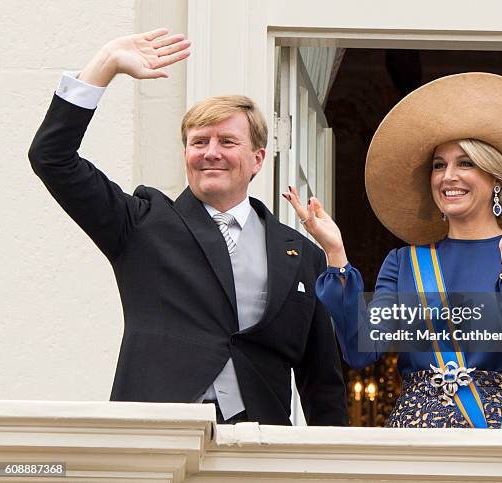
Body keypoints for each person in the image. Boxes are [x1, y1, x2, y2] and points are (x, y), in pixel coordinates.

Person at [28, 29, 348, 426]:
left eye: (227, 141)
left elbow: (322, 384)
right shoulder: (142, 223)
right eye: (199, 142)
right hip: (155, 437)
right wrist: (106, 63)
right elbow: (51, 157)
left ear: (258, 158)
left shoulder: (301, 254)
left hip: (260, 445)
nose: (211, 153)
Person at [284, 72, 502, 429]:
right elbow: (361, 351)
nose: (448, 177)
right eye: (439, 165)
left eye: (465, 163)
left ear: (496, 178)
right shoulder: (405, 262)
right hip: (417, 436)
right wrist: (336, 255)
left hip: (501, 438)